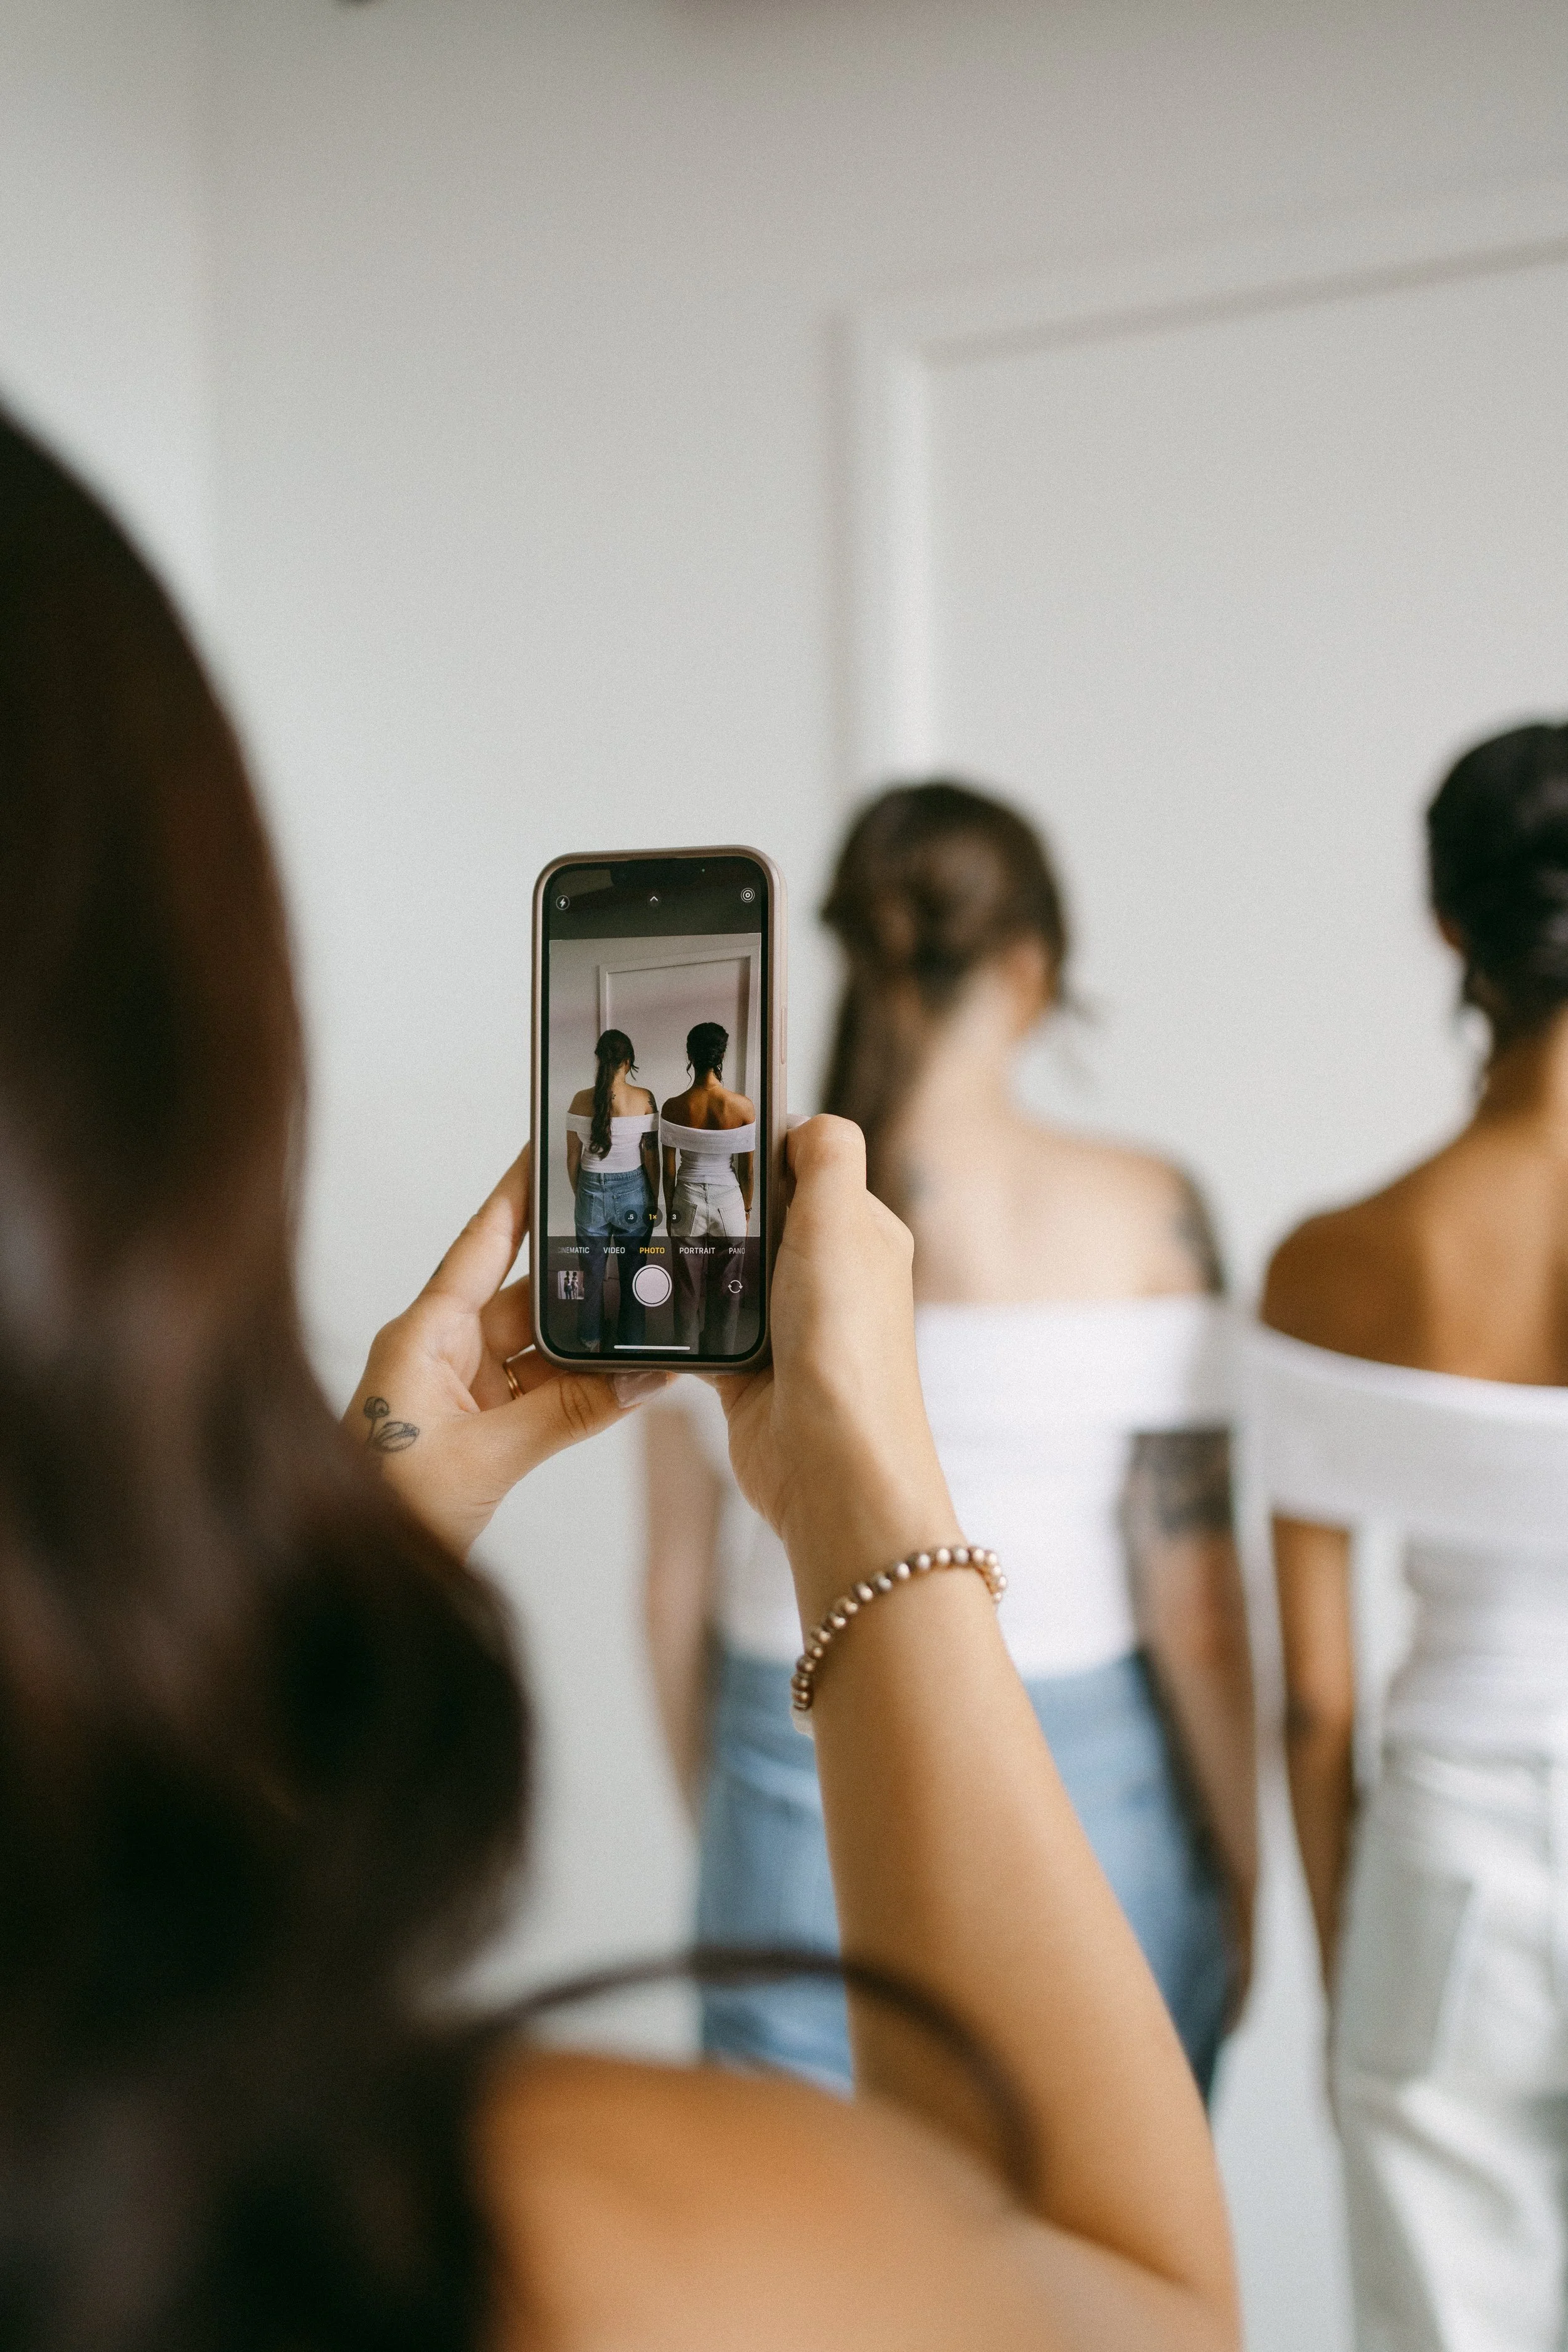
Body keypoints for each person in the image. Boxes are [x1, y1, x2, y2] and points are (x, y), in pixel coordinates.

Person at [0, 406, 1241, 2352]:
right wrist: (862, 1491)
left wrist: (400, 1492)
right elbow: (1136, 2296)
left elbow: (671, 1597)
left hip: (758, 1731)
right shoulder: (451, 2232)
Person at [645, 781, 1256, 2098]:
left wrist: (737, 1840)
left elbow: (669, 1592)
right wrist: (1246, 1876)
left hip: (785, 1740)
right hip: (1086, 1769)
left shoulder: (723, 1208)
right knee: (1084, 2257)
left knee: (799, 2254)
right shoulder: (1147, 1215)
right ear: (1028, 966)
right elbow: (1194, 1604)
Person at [1257, 719, 1568, 2352]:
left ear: (1448, 927)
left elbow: (1314, 1696)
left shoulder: (1332, 1260)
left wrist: (1345, 1979)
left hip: (1450, 1844)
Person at [660, 1019, 755, 1357]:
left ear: (690, 1054)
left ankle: (686, 1359)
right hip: (730, 1201)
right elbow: (747, 1170)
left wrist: (672, 1212)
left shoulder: (673, 1107)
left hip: (686, 1199)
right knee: (729, 1288)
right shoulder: (743, 1107)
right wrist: (745, 1209)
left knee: (686, 1289)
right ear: (722, 1055)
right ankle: (721, 1356)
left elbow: (668, 1171)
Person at [565, 1027, 658, 1351]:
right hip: (634, 1191)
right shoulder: (645, 1098)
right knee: (634, 1272)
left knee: (588, 1275)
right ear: (628, 1061)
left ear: (599, 1060)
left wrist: (585, 1197)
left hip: (590, 1189)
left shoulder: (579, 1099)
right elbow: (650, 1156)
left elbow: (572, 1158)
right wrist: (653, 1199)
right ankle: (631, 1342)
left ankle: (589, 1340)